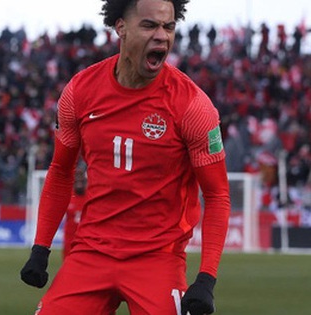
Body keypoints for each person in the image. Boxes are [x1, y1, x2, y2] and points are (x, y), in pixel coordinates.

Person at [20, 1, 231, 315]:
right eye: (149, 26)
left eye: (168, 27)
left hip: (158, 259)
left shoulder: (193, 107)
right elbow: (60, 171)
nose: (162, 36)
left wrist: (207, 278)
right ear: (121, 28)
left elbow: (217, 194)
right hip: (91, 252)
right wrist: (41, 248)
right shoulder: (79, 91)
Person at [62, 169, 87, 259]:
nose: (79, 180)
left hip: (86, 238)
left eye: (81, 177)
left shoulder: (90, 196)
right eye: (77, 177)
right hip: (70, 238)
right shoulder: (68, 196)